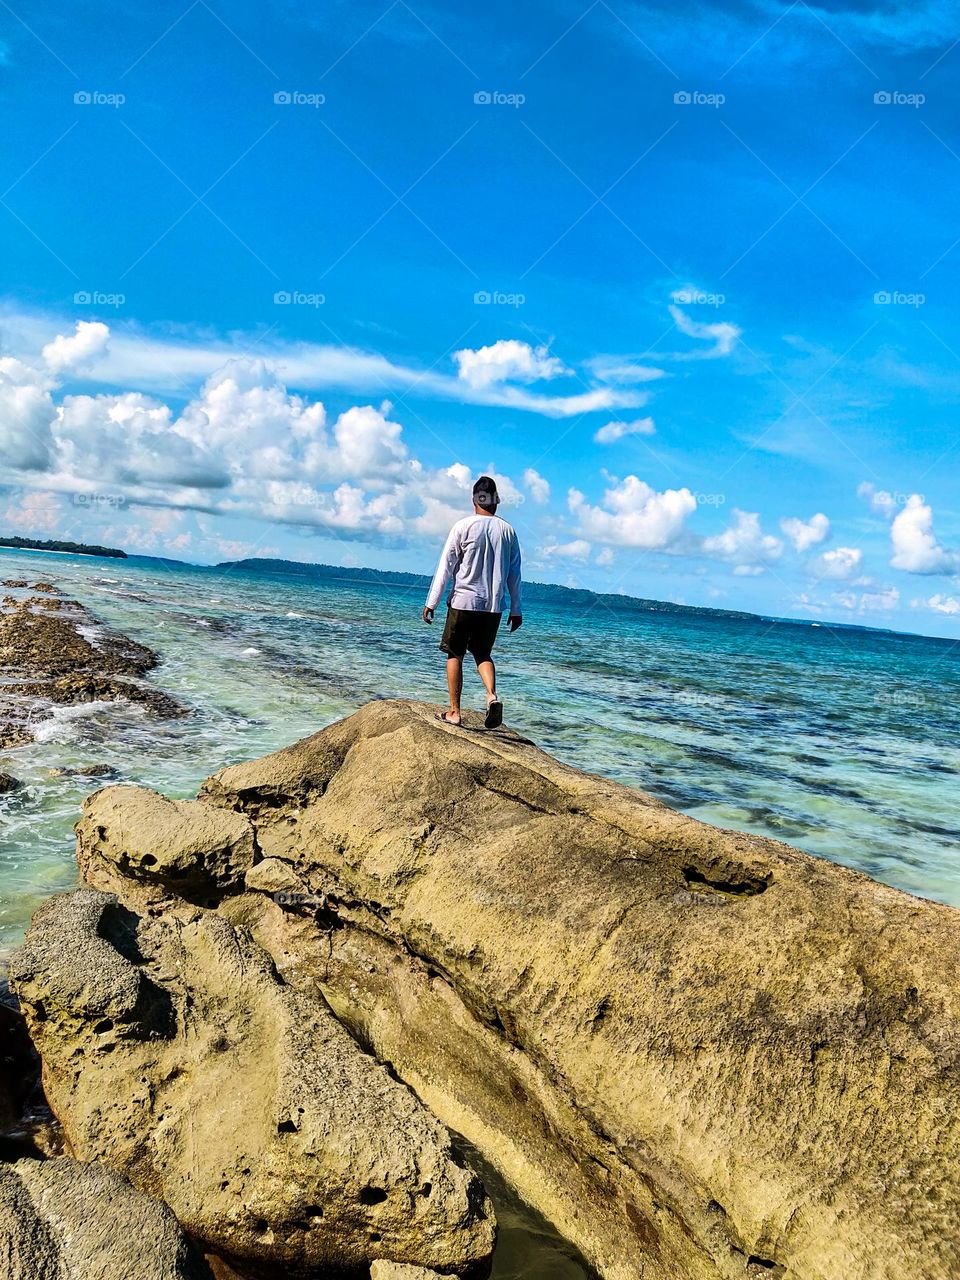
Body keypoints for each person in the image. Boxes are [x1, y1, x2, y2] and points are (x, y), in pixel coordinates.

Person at [422, 475, 522, 728]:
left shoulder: (462, 526)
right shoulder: (508, 531)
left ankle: (454, 712)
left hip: (463, 602)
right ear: (496, 501)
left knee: (455, 654)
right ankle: (491, 696)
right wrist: (516, 609)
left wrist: (431, 602)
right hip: (493, 606)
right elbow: (514, 575)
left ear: (475, 499)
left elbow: (446, 567)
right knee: (483, 654)